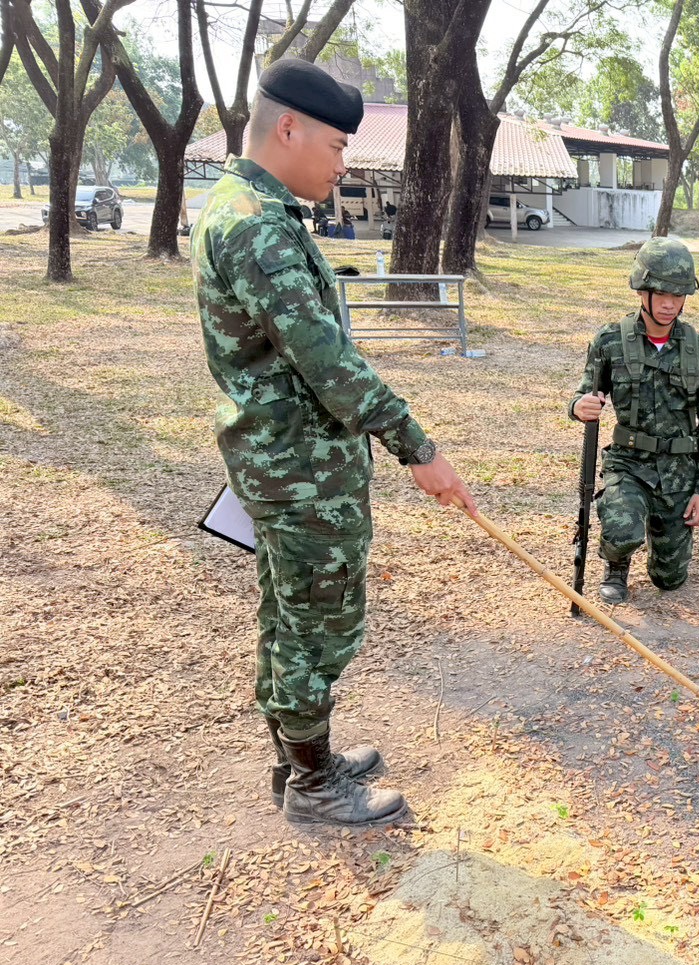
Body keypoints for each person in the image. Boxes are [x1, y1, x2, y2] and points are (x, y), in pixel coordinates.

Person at [190, 58, 477, 827]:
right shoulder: (255, 227)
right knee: (317, 624)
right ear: (288, 129)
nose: (344, 165)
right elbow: (328, 362)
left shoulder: (244, 207)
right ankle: (313, 785)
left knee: (291, 617)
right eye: (338, 147)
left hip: (287, 461)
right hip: (299, 470)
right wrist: (418, 448)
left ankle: (298, 760)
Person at [569, 237, 699, 604]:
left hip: (678, 471)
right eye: (660, 292)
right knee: (623, 532)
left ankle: (664, 537)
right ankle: (617, 564)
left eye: (678, 294)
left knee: (669, 580)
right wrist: (581, 406)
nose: (670, 303)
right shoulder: (610, 341)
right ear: (642, 290)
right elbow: (581, 395)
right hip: (629, 462)